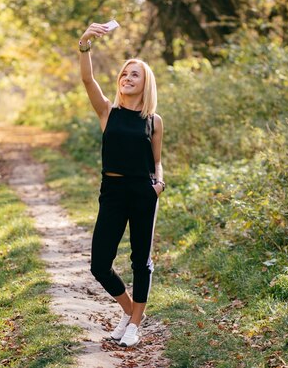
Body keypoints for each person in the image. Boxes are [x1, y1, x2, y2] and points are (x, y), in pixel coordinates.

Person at [78, 22, 165, 348]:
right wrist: (85, 43)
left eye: (134, 75)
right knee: (100, 264)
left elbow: (156, 159)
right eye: (124, 74)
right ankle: (131, 313)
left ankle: (134, 325)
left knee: (141, 260)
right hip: (112, 192)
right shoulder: (107, 112)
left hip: (143, 192)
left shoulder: (153, 121)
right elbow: (88, 79)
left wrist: (158, 183)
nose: (126, 78)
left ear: (145, 85)